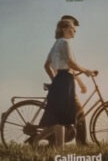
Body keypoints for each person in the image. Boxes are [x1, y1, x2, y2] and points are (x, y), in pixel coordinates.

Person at [41, 12, 96, 147]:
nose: (75, 31)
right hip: (66, 81)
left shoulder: (56, 44)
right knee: (77, 112)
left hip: (61, 80)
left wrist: (55, 80)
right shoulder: (65, 43)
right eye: (73, 28)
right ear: (65, 29)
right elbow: (71, 64)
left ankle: (55, 143)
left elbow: (47, 65)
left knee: (60, 115)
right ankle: (81, 143)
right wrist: (86, 71)